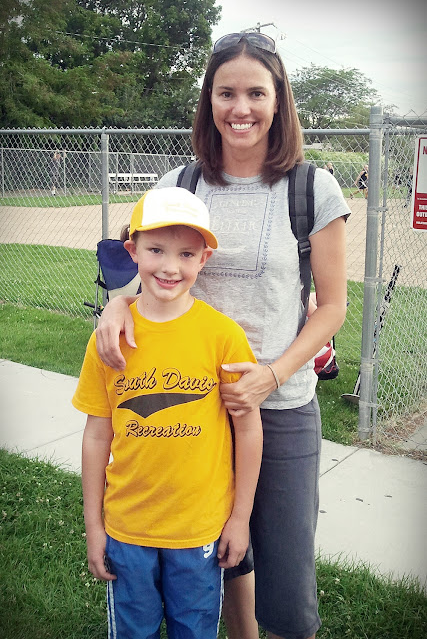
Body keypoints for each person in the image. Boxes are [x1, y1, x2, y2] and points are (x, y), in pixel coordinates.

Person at [95, 32, 349, 639]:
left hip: (279, 405)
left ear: (278, 100)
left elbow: (333, 307)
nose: (241, 108)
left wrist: (271, 375)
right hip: (195, 405)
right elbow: (137, 266)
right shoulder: (179, 184)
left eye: (256, 93)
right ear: (208, 100)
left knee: (286, 572)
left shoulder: (311, 189)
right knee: (224, 553)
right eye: (225, 93)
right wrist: (114, 305)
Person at [72, 186, 263, 639]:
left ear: (204, 259)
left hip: (199, 528)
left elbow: (248, 431)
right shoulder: (108, 341)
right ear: (132, 251)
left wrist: (239, 519)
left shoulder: (222, 336)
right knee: (133, 631)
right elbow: (96, 436)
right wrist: (94, 526)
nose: (170, 267)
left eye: (186, 254)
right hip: (127, 527)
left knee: (193, 630)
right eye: (156, 250)